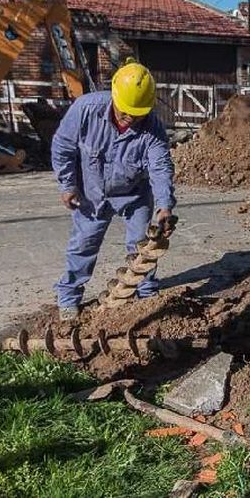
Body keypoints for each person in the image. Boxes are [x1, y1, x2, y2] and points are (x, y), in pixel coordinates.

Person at [51, 61, 176, 321]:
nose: (130, 119)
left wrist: (165, 205)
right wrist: (68, 185)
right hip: (92, 191)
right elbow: (63, 147)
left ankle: (146, 292)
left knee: (143, 244)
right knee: (83, 245)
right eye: (125, 113)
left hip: (134, 193)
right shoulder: (85, 109)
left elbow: (160, 167)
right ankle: (69, 296)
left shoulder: (153, 128)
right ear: (115, 96)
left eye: (136, 114)